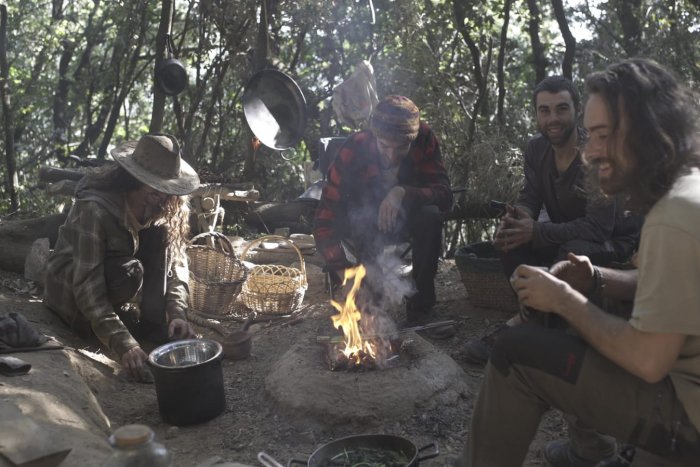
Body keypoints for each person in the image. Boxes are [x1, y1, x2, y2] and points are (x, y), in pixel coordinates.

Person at [457, 58, 700, 466]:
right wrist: (596, 279)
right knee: (588, 306)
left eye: (602, 135)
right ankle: (593, 450)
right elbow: (673, 285)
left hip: (686, 415)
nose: (590, 150)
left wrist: (566, 300)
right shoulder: (687, 190)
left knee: (517, 352)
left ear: (647, 134)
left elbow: (648, 359)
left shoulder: (672, 217)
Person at [463, 76, 640, 365]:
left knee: (572, 251)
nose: (552, 118)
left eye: (561, 109)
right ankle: (541, 317)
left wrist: (536, 231)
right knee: (509, 238)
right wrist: (520, 218)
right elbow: (530, 195)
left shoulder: (595, 154)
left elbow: (599, 227)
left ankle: (523, 324)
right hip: (563, 234)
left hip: (612, 241)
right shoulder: (536, 148)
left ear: (577, 110)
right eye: (544, 111)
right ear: (536, 114)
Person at [45, 134, 199, 381]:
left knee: (160, 236)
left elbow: (177, 263)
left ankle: (151, 324)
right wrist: (122, 342)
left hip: (114, 288)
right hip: (72, 298)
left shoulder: (165, 207)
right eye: (154, 185)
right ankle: (105, 328)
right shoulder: (95, 209)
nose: (160, 193)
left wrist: (177, 312)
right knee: (129, 271)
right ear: (133, 177)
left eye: (166, 187)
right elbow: (86, 285)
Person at [313, 95, 454, 338]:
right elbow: (324, 221)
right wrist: (343, 274)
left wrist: (401, 192)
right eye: (384, 147)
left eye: (401, 148)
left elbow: (444, 194)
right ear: (373, 136)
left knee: (430, 217)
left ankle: (421, 309)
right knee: (362, 219)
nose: (391, 156)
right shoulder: (353, 149)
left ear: (412, 140)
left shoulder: (425, 138)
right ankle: (371, 309)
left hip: (408, 219)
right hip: (364, 225)